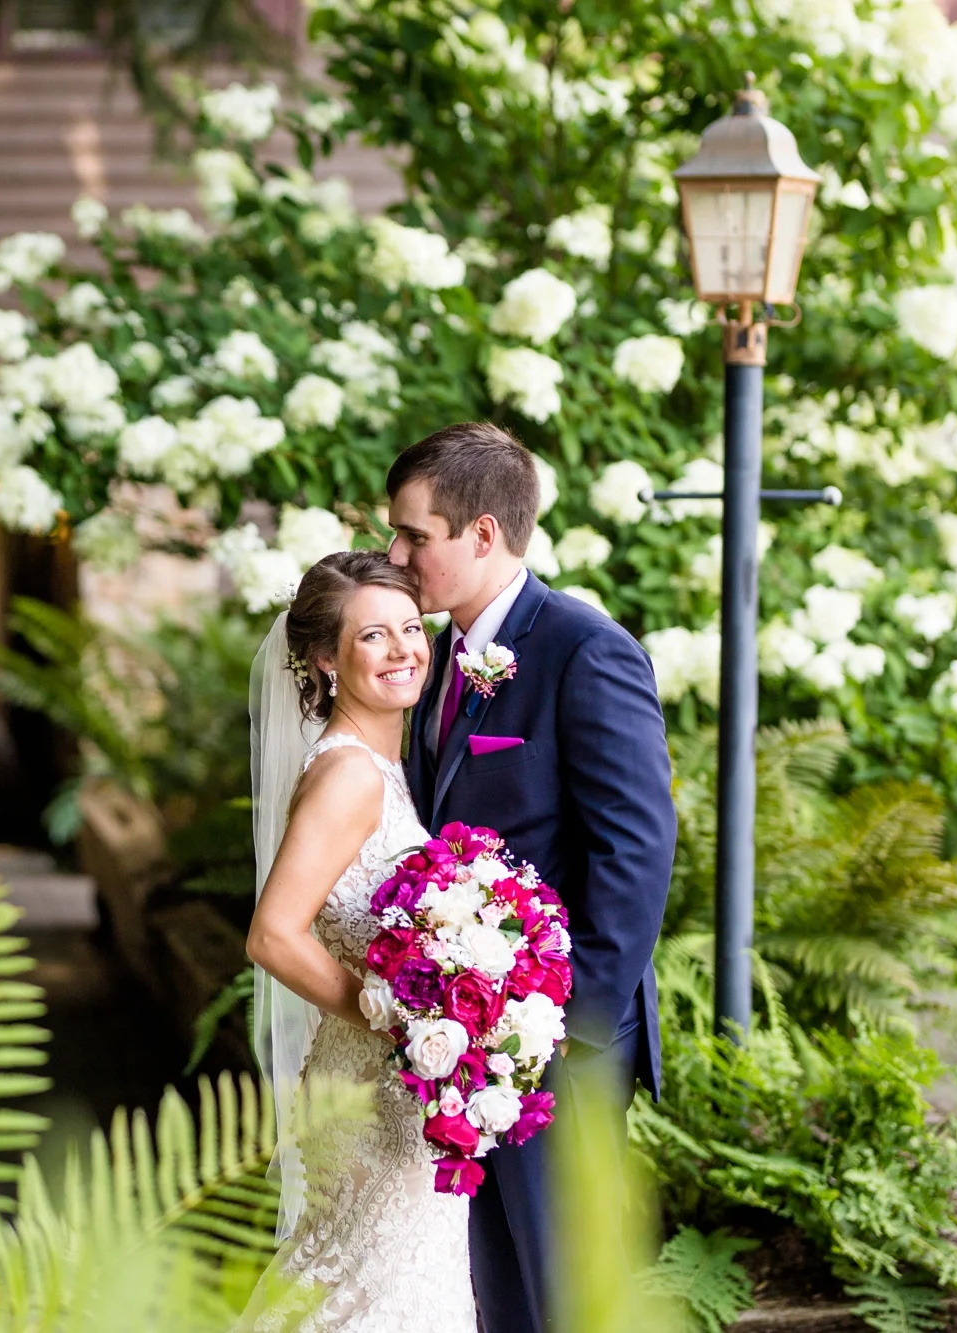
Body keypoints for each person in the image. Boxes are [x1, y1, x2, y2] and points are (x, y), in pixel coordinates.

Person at [386, 422, 677, 1333]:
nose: (395, 555)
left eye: (413, 536)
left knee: (567, 1299)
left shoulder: (585, 650)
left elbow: (636, 850)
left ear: (481, 534)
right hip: (466, 1043)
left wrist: (560, 1029)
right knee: (495, 1291)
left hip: (561, 1045)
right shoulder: (439, 659)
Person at [241, 549, 479, 1332]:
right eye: (374, 636)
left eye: (412, 627)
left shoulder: (384, 764)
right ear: (324, 658)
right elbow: (274, 934)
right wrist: (393, 1020)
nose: (406, 648)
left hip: (388, 1085)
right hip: (374, 1090)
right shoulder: (350, 776)